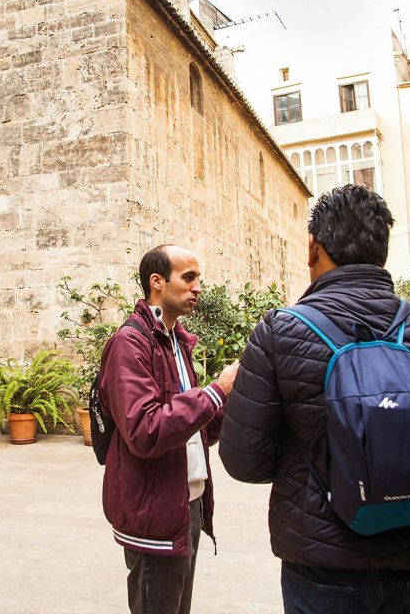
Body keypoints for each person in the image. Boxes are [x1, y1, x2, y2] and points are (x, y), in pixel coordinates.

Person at [218, 185, 410, 614]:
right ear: (382, 248)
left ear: (314, 247)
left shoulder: (279, 332)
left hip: (320, 563)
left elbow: (244, 461)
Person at [99, 245, 239, 614]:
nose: (197, 288)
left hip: (185, 502)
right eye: (188, 277)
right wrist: (214, 392)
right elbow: (145, 429)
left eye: (199, 279)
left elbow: (194, 431)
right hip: (153, 513)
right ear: (157, 282)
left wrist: (228, 401)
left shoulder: (177, 341)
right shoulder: (129, 343)